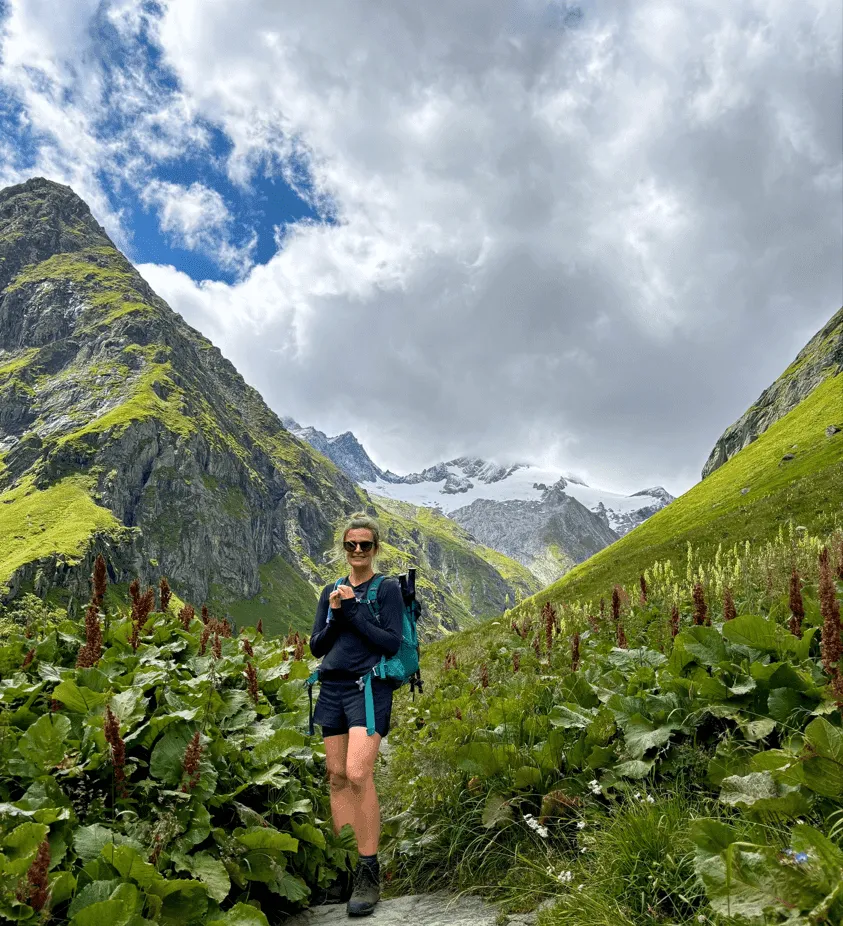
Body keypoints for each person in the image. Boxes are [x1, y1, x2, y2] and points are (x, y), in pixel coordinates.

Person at [309, 512, 404, 917]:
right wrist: (336, 613)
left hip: (369, 688)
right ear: (344, 548)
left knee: (358, 773)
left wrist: (354, 612)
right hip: (332, 688)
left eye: (365, 544)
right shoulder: (330, 589)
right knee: (336, 776)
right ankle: (345, 866)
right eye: (352, 545)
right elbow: (317, 646)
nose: (358, 550)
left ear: (375, 548)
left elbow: (391, 643)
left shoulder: (388, 589)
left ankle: (368, 871)